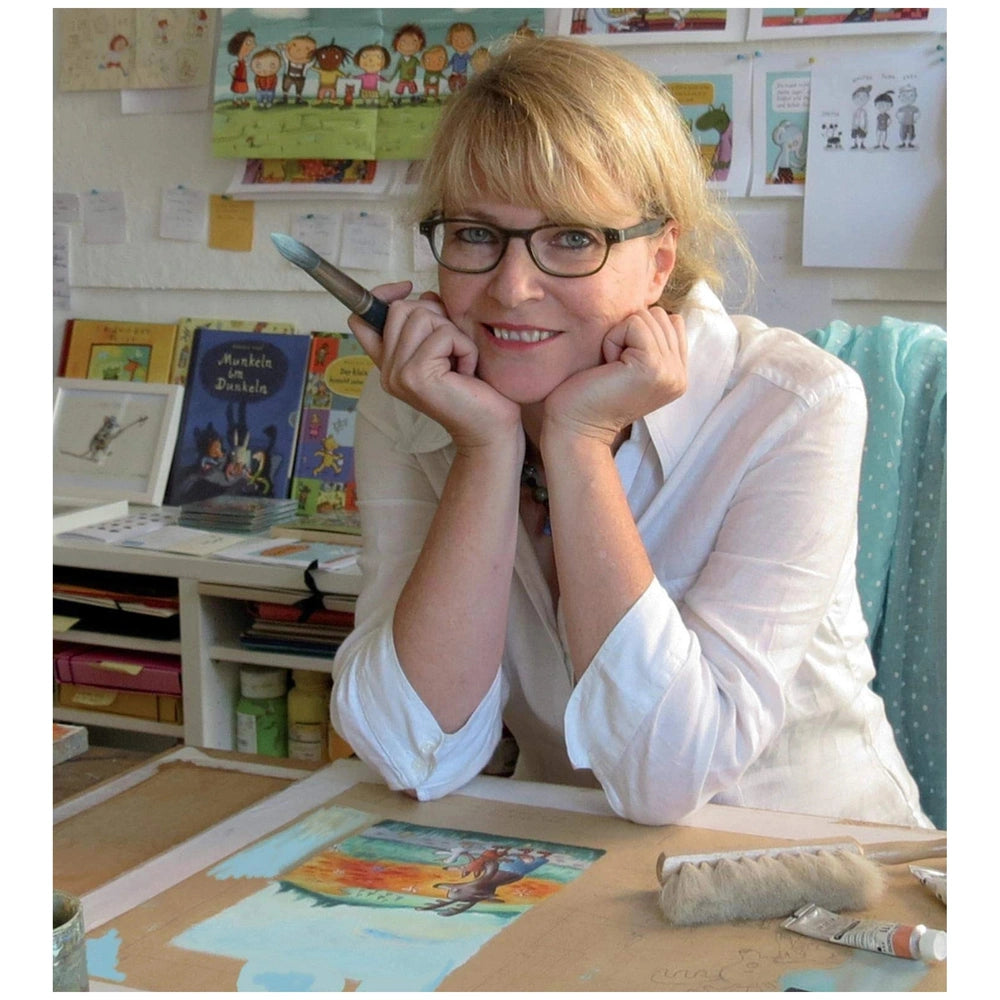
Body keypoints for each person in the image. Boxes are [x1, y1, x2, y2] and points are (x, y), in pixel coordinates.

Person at [330, 35, 932, 830]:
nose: (512, 289)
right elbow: (413, 754)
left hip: (820, 863)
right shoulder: (416, 403)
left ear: (659, 260)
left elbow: (668, 777)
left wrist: (577, 445)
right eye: (476, 234)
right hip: (573, 864)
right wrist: (486, 450)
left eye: (573, 238)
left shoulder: (793, 404)